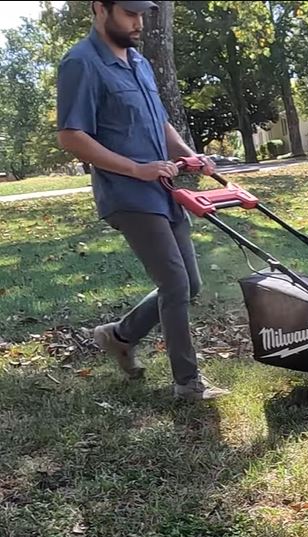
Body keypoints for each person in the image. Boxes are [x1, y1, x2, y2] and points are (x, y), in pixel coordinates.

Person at [56, 0, 230, 401]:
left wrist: (189, 155)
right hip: (128, 193)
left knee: (190, 284)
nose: (138, 23)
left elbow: (160, 121)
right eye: (129, 14)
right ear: (100, 8)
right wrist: (137, 169)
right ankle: (188, 383)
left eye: (142, 15)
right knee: (174, 283)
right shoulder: (81, 63)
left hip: (164, 189)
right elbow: (71, 136)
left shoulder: (139, 62)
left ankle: (119, 336)